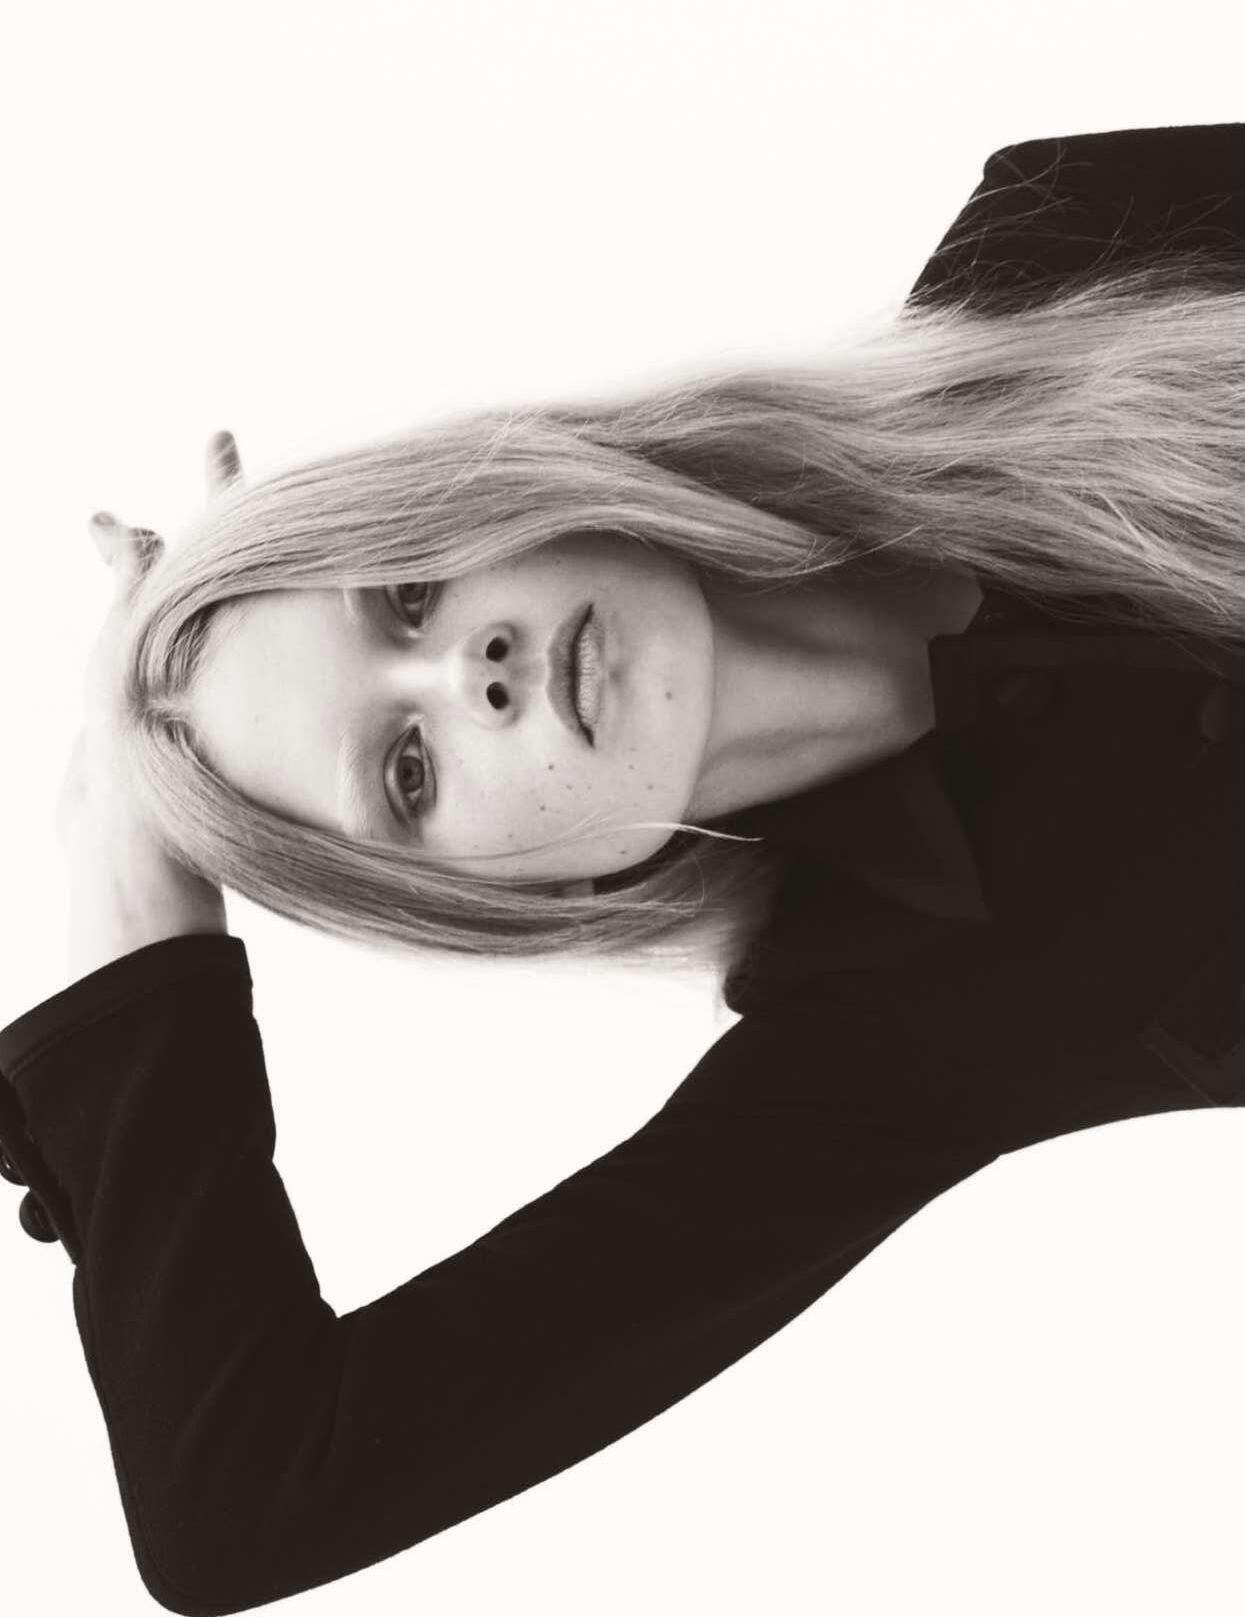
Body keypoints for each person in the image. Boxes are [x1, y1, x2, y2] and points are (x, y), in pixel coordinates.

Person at [4, 120, 1245, 1613]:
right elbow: (242, 1499)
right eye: (408, 771)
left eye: (409, 591)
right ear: (499, 892)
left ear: (503, 487)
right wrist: (130, 881)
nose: (473, 674)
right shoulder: (889, 1035)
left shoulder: (1069, 244)